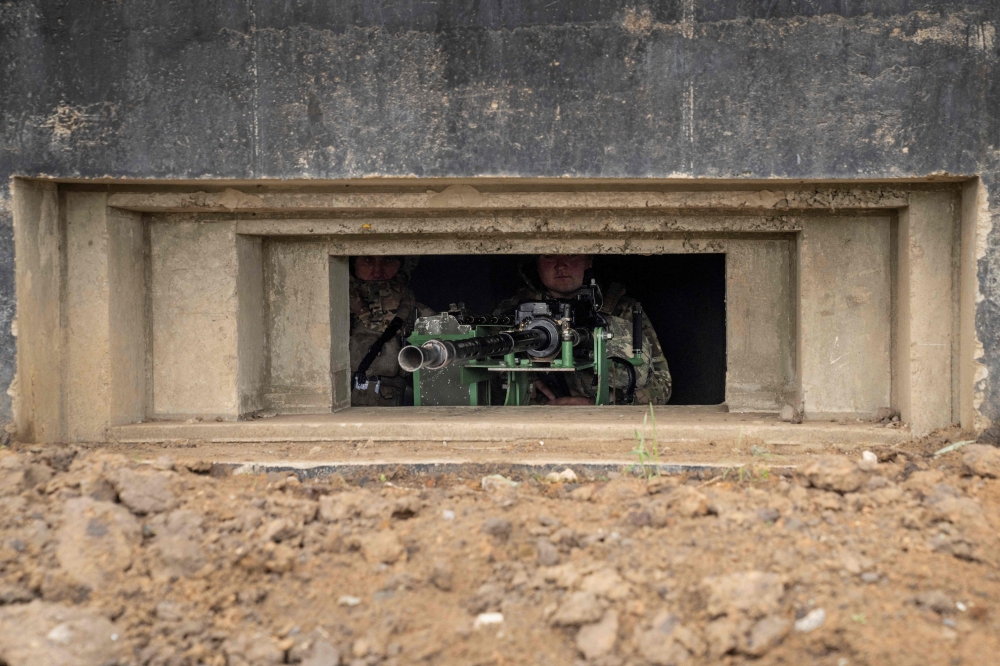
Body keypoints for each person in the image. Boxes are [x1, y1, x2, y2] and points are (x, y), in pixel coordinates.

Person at [494, 254, 672, 405]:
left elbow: (661, 385)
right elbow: (486, 377)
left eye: (572, 254)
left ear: (589, 261)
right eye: (549, 256)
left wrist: (601, 402)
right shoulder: (512, 312)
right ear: (536, 263)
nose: (561, 265)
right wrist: (525, 381)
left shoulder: (621, 309)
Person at [349, 256, 433, 406]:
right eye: (367, 260)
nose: (377, 272)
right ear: (352, 263)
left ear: (402, 265)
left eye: (388, 260)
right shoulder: (331, 311)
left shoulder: (419, 315)